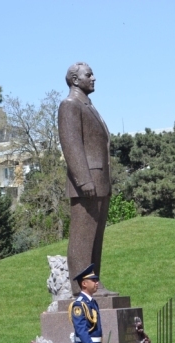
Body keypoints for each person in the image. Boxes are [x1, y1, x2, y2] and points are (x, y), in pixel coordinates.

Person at [58, 62, 112, 296]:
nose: (94, 78)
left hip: (100, 181)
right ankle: (81, 287)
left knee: (95, 238)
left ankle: (93, 284)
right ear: (75, 79)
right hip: (87, 183)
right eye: (89, 75)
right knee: (82, 236)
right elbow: (71, 145)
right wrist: (84, 180)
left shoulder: (88, 106)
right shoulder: (70, 105)